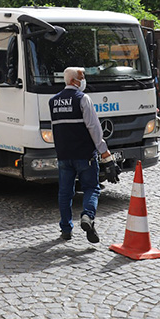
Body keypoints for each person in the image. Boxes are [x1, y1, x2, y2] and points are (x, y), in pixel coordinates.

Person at [50, 66, 112, 243]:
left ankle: (66, 229)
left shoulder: (53, 101)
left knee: (65, 193)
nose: (84, 80)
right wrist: (104, 152)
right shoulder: (83, 99)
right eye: (81, 77)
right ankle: (87, 216)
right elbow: (94, 128)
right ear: (73, 81)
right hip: (85, 155)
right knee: (92, 188)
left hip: (64, 155)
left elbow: (55, 129)